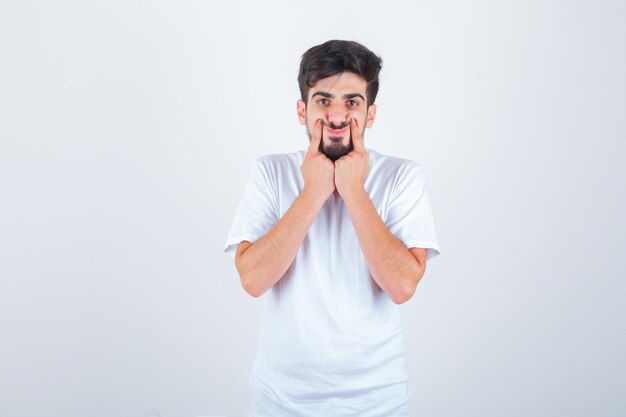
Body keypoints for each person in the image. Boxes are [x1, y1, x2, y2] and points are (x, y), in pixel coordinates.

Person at [224, 39, 441, 417]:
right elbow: (253, 280)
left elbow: (403, 286)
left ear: (370, 114)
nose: (337, 116)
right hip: (279, 402)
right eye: (323, 100)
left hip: (377, 402)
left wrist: (353, 190)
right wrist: (314, 191)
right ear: (301, 109)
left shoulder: (402, 177)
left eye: (352, 102)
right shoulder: (270, 172)